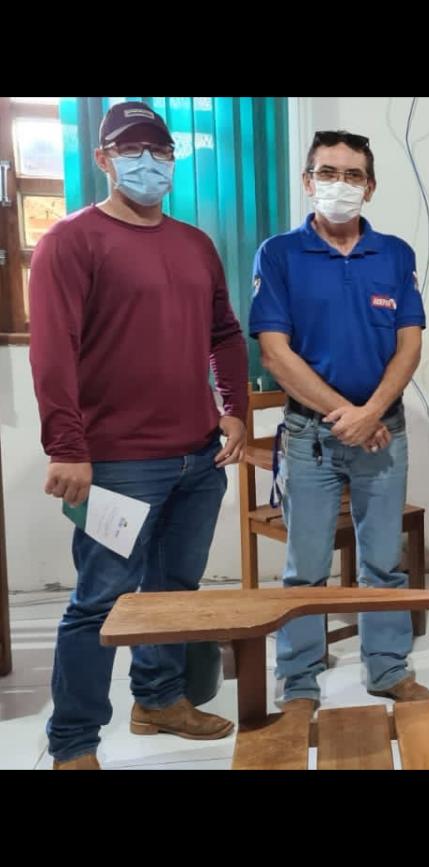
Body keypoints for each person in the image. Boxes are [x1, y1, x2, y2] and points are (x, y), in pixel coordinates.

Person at [29, 101, 248, 769]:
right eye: (131, 150)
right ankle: (74, 741)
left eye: (160, 151)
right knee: (101, 602)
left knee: (174, 592)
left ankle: (158, 700)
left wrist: (235, 409)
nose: (148, 162)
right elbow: (53, 349)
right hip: (118, 465)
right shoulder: (71, 241)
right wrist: (67, 446)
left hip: (198, 457)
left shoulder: (195, 244)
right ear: (103, 158)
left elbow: (224, 333)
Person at [249, 130, 429, 712]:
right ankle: (299, 677)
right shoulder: (279, 254)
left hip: (383, 432)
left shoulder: (395, 254)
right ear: (308, 181)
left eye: (353, 175)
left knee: (384, 561)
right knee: (305, 567)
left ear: (370, 188)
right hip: (311, 437)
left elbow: (409, 345)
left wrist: (371, 413)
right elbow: (275, 353)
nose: (340, 185)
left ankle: (388, 667)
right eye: (328, 173)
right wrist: (346, 415)